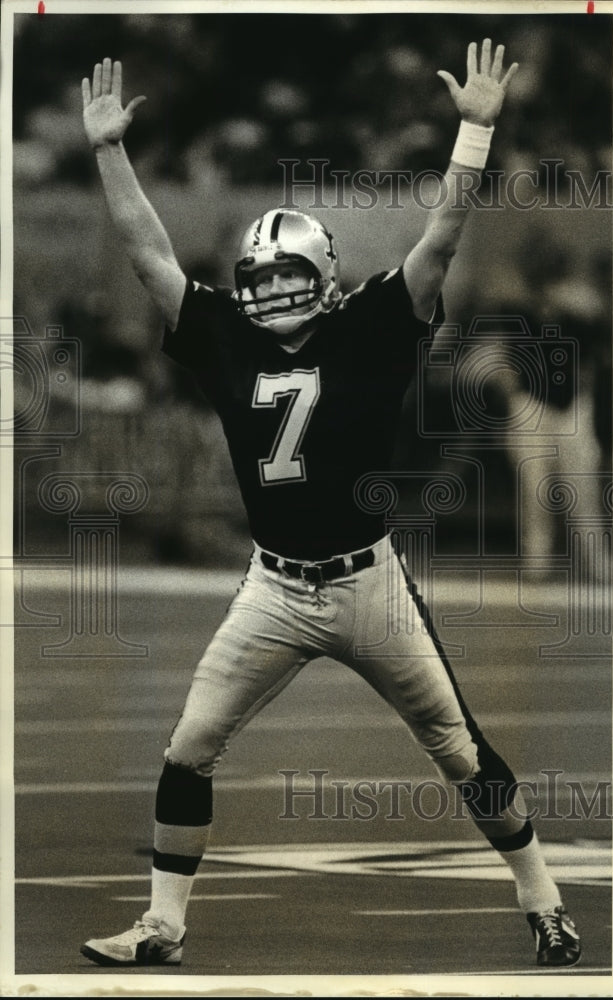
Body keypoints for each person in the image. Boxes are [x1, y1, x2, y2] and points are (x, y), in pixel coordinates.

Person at [78, 41, 582, 971]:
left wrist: (474, 132)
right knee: (189, 746)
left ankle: (545, 903)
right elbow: (148, 251)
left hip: (370, 583)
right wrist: (110, 150)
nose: (268, 293)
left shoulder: (375, 324)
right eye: (257, 280)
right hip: (274, 586)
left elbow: (442, 239)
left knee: (461, 752)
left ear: (324, 274)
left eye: (284, 277)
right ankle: (162, 927)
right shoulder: (224, 337)